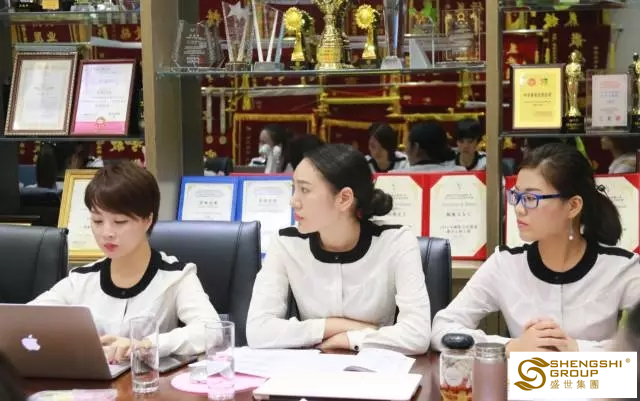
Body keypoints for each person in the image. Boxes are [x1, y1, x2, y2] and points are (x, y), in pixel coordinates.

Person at [431, 143, 640, 353]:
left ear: (573, 206)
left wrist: (577, 349)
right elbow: (443, 328)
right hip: (526, 374)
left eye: (531, 198)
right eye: (516, 196)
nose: (519, 209)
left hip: (592, 375)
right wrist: (510, 346)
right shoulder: (505, 264)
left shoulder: (621, 267)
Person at [246, 144, 431, 355]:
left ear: (344, 198)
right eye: (294, 188)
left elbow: (417, 334)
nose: (293, 201)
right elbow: (258, 330)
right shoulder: (286, 243)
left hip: (378, 367)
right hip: (311, 368)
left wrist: (349, 339)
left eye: (305, 190)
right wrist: (337, 326)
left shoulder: (395, 241)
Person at [29, 161, 219, 362]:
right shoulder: (82, 278)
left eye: (120, 222)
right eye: (97, 221)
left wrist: (146, 345)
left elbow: (211, 330)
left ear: (147, 220)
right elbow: (27, 318)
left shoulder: (176, 276)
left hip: (148, 379)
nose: (107, 233)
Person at [400, 121, 465, 172]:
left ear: (416, 148)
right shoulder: (460, 173)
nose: (405, 150)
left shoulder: (398, 177)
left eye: (406, 144)